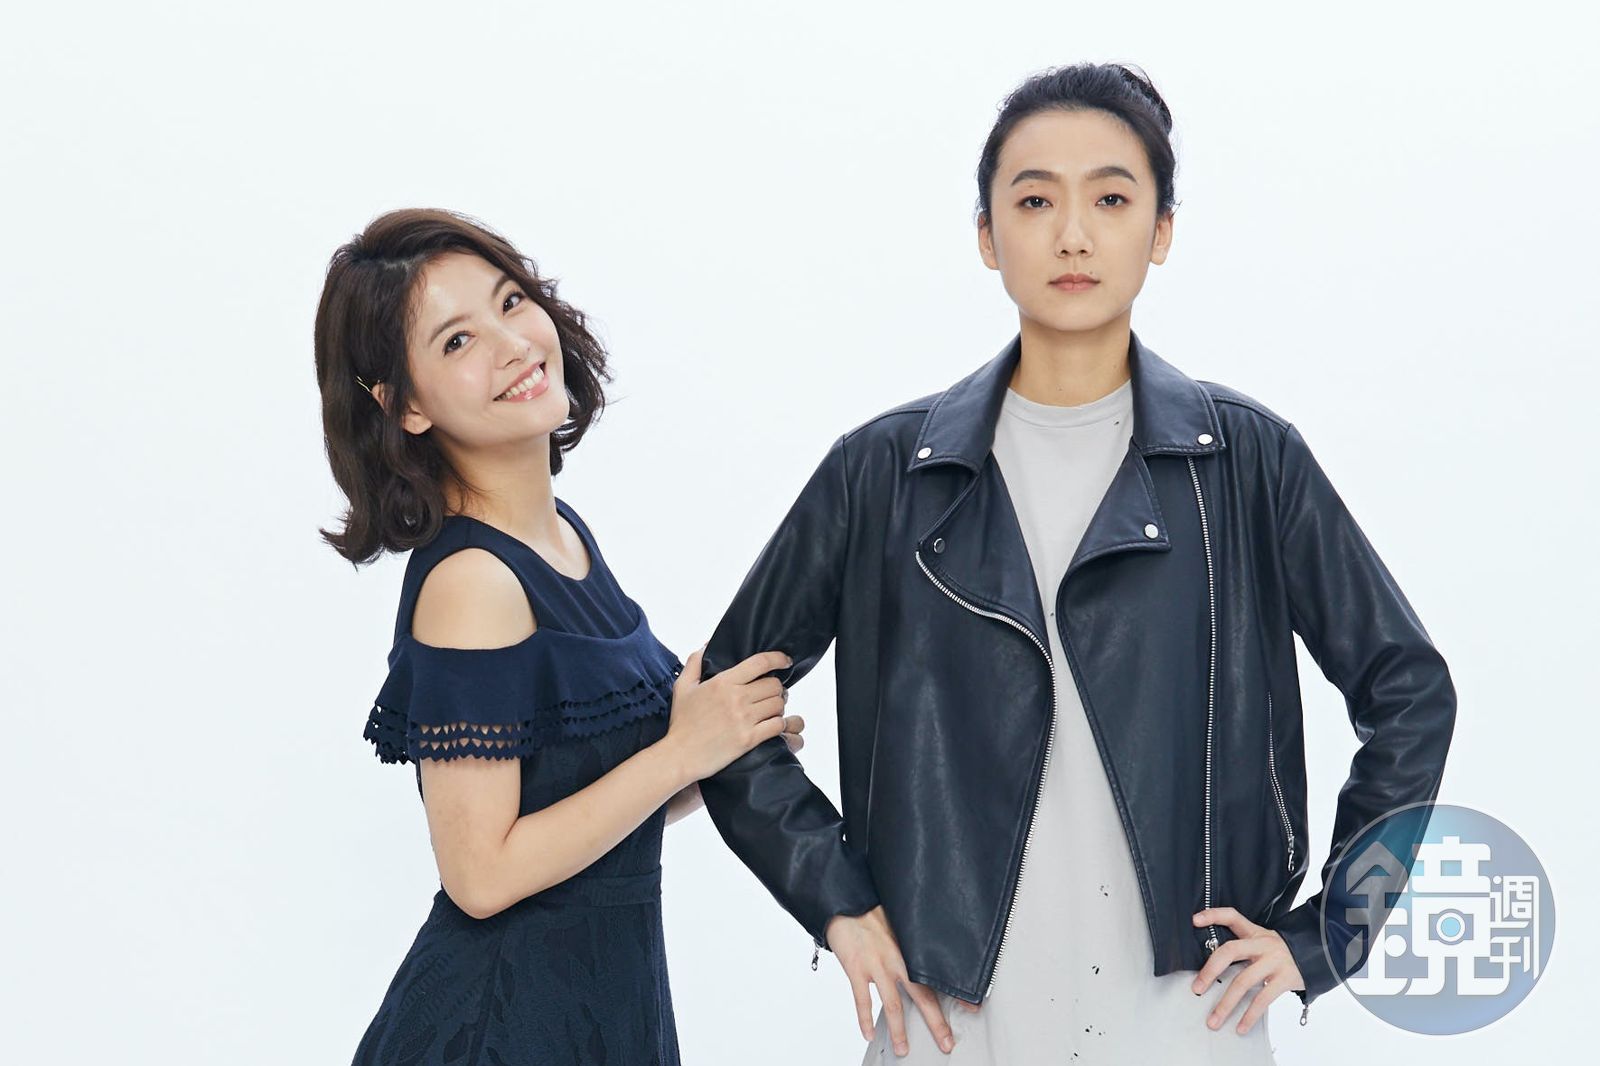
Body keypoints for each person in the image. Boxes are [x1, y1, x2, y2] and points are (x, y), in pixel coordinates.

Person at [694, 63, 1457, 1063]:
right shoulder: (881, 472)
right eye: (1033, 200)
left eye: (1110, 199)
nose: (1072, 235)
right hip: (950, 1019)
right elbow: (724, 703)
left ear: (1161, 230)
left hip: (1188, 1016)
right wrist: (836, 902)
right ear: (986, 235)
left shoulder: (1246, 462)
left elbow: (1409, 690)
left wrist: (1329, 938)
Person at [313, 207, 804, 1065]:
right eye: (457, 342)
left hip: (599, 1008)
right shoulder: (472, 582)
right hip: (502, 1027)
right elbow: (481, 875)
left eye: (511, 301)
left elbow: (583, 809)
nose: (512, 345)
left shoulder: (561, 536)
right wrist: (681, 753)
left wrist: (713, 752)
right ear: (406, 406)